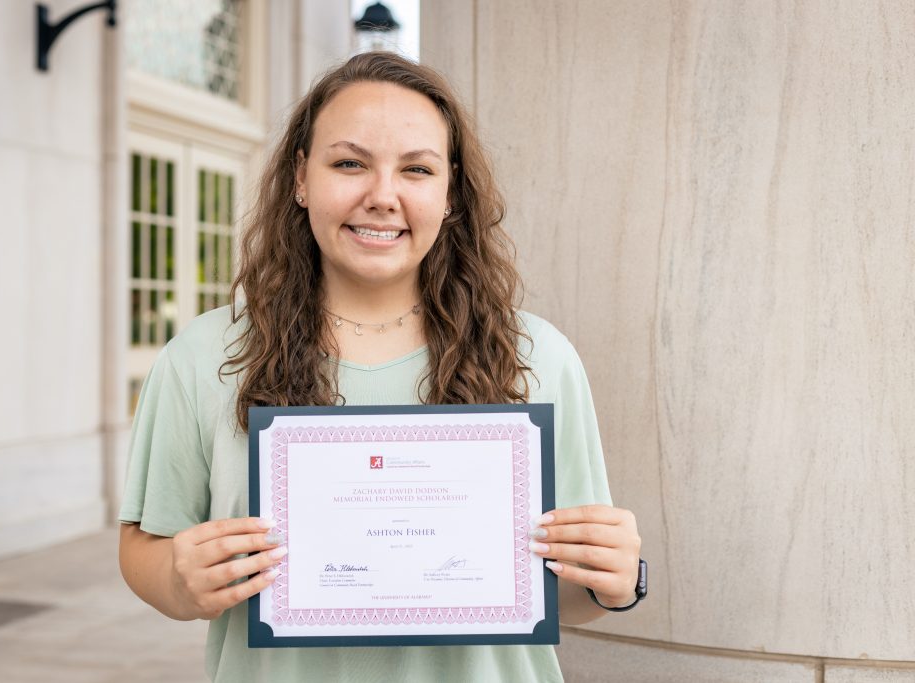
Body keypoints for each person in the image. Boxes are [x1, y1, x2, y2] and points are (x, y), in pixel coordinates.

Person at [118, 51, 642, 682]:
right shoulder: (205, 357)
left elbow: (564, 596)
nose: (382, 197)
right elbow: (143, 547)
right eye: (349, 163)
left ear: (450, 194)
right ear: (300, 179)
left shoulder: (538, 357)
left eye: (416, 170)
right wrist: (180, 580)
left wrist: (617, 581)